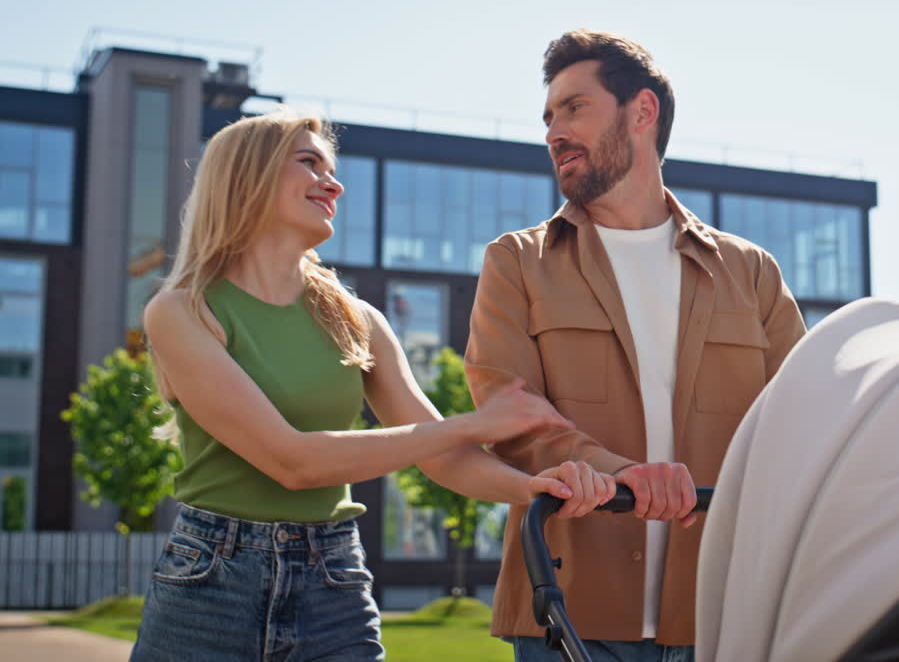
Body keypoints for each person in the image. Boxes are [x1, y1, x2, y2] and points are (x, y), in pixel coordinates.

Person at [131, 109, 616, 662]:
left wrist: (533, 490)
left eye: (332, 169)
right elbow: (293, 462)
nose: (333, 183)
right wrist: (477, 423)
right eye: (309, 163)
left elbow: (445, 457)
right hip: (211, 582)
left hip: (331, 579)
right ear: (247, 174)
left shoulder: (356, 320)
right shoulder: (181, 312)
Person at [465, 29, 807, 661]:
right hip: (566, 612)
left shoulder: (751, 272)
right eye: (548, 117)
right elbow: (510, 419)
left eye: (575, 108)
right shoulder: (517, 263)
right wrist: (622, 475)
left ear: (641, 112)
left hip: (719, 615)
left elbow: (800, 420)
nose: (554, 133)